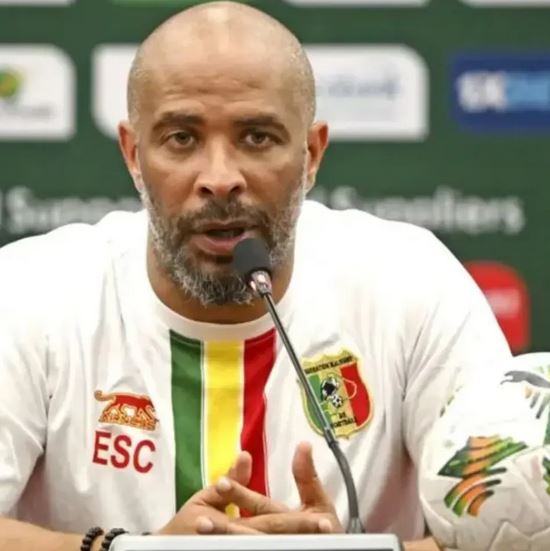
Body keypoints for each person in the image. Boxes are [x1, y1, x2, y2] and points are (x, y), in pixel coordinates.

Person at [0, 2, 511, 550]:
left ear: (311, 154)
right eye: (182, 138)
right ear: (133, 154)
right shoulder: (31, 293)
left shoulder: (411, 283)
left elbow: (513, 524)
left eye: (257, 138)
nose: (220, 178)